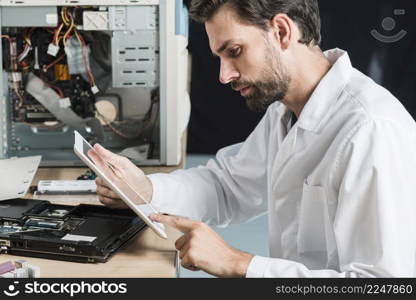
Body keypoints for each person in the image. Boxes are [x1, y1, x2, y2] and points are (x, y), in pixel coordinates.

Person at [90, 0, 416, 277]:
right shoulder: (287, 109)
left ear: (282, 32)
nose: (223, 75)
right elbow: (228, 187)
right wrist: (147, 190)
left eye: (234, 51)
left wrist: (239, 264)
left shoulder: (371, 129)